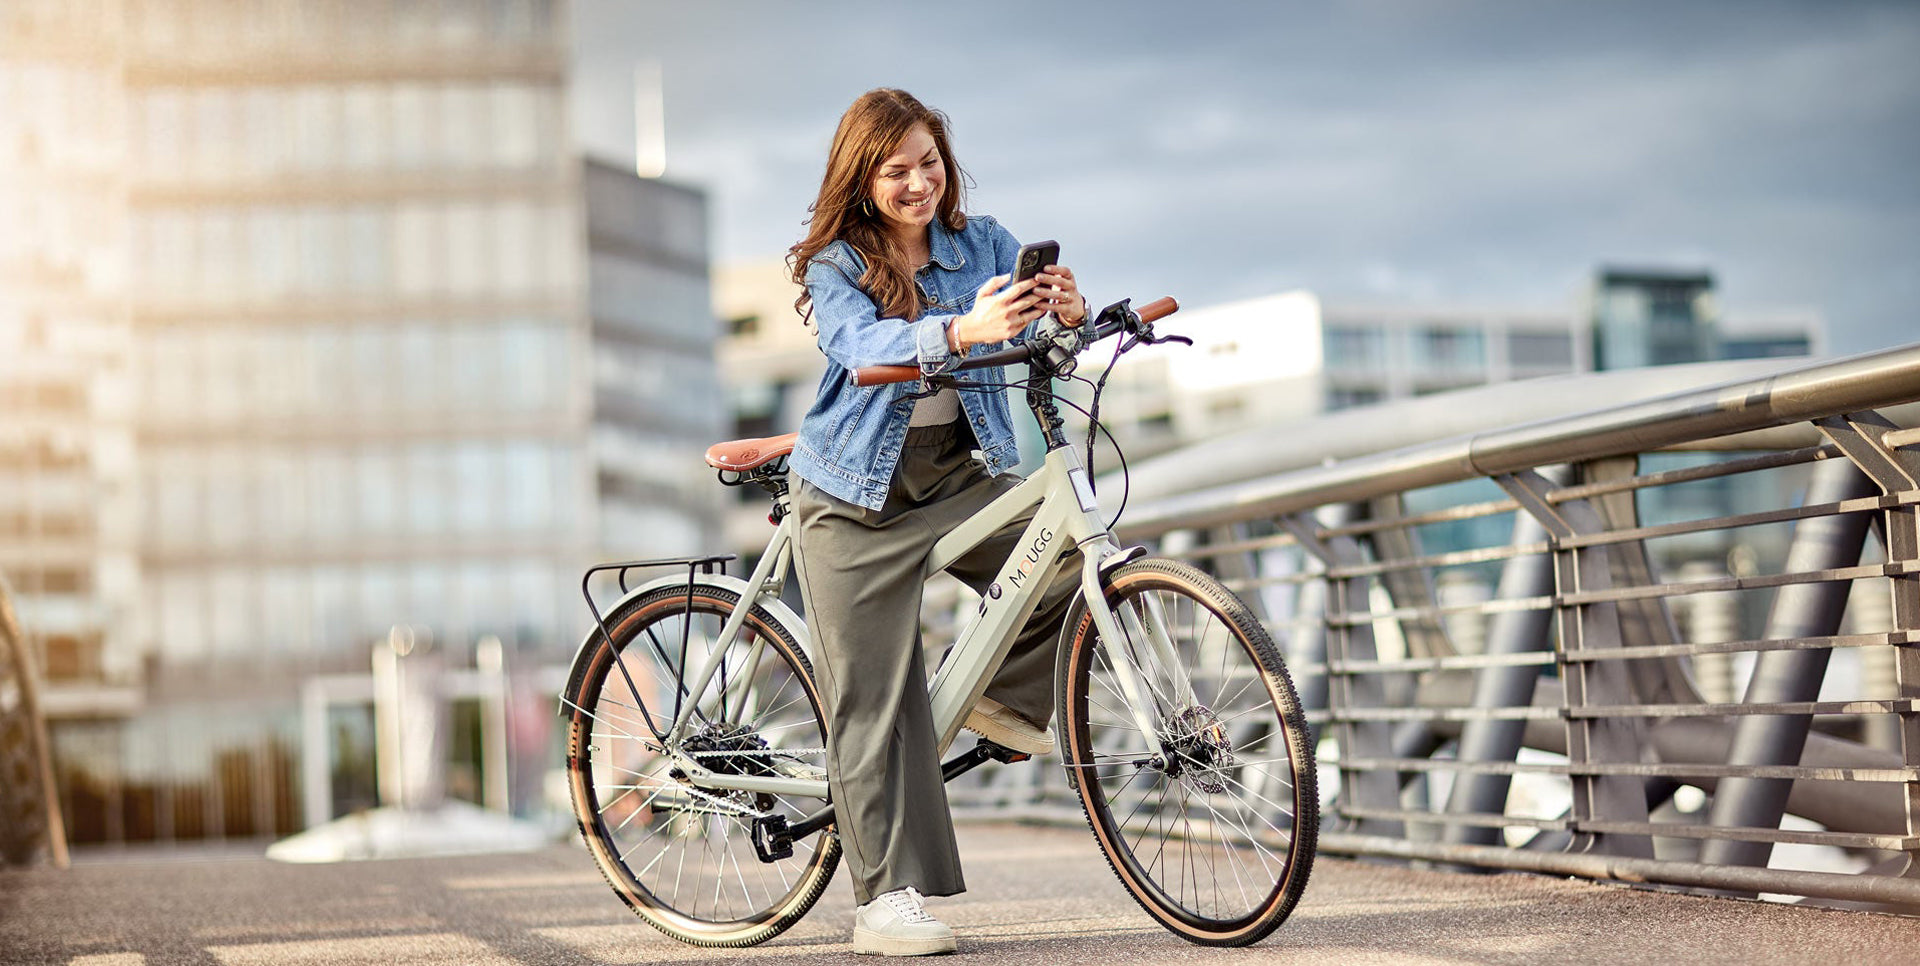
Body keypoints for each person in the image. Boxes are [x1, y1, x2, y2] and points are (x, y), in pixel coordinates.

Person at [785, 88, 1088, 957]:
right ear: (863, 177)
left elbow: (1029, 343)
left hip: (952, 475)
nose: (919, 182)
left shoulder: (981, 241)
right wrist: (958, 329)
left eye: (929, 162)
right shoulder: (836, 263)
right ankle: (884, 902)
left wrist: (1064, 313)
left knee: (1059, 565)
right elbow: (859, 348)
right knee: (875, 701)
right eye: (897, 170)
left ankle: (994, 698)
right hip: (852, 497)